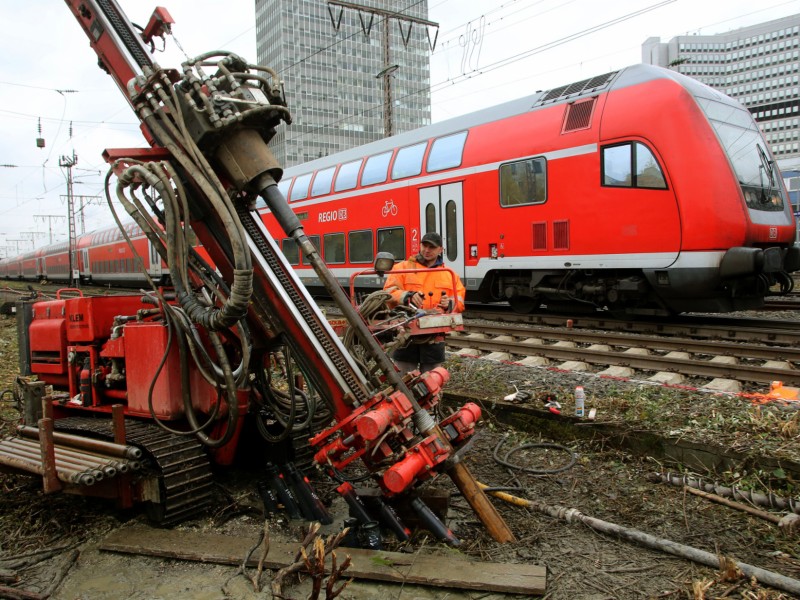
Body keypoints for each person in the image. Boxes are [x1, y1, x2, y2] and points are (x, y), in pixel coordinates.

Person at [383, 231, 466, 374]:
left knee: (432, 378)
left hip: (433, 335)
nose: (426, 250)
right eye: (424, 245)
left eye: (431, 247)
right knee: (404, 378)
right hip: (405, 332)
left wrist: (449, 304)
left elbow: (459, 300)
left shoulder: (449, 274)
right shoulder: (402, 268)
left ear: (440, 250)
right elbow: (388, 293)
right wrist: (406, 295)